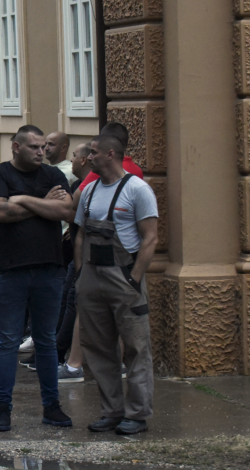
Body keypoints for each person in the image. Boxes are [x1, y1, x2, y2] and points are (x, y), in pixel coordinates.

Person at [0, 125, 75, 432]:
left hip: (49, 268)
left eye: (43, 146)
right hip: (10, 270)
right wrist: (42, 204)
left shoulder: (53, 176)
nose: (41, 152)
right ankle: (2, 409)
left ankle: (52, 406)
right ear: (16, 148)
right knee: (8, 340)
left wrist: (22, 198)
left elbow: (66, 210)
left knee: (46, 341)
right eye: (34, 147)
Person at [75, 134, 158, 435]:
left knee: (135, 347)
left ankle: (136, 414)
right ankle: (111, 411)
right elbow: (81, 235)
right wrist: (81, 271)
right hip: (92, 276)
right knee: (97, 347)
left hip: (122, 276)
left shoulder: (137, 190)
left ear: (111, 155)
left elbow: (150, 238)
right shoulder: (89, 191)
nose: (89, 158)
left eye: (93, 153)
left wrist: (134, 278)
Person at [55, 142, 92, 383]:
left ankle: (68, 360)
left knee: (73, 304)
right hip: (80, 260)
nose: (73, 160)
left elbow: (73, 218)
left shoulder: (88, 185)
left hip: (90, 262)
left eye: (75, 156)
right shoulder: (83, 185)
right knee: (70, 301)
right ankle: (61, 355)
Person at [77, 122, 144, 190]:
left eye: (94, 152)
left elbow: (76, 198)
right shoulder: (138, 170)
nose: (89, 157)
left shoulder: (101, 169)